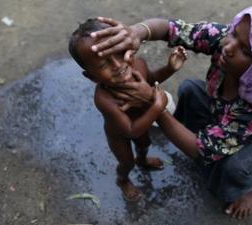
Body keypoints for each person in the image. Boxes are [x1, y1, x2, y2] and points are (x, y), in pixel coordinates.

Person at [90, 2, 252, 218]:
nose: (229, 47)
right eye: (234, 33)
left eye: (246, 50)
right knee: (190, 89)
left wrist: (153, 103)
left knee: (234, 167)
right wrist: (137, 31)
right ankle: (202, 137)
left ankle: (250, 186)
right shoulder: (225, 40)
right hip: (223, 114)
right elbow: (172, 29)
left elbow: (200, 150)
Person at [68, 18, 188, 201]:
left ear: (128, 48)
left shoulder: (138, 65)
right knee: (126, 162)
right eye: (104, 65)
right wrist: (157, 106)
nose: (118, 66)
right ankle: (122, 180)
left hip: (143, 122)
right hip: (121, 135)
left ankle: (143, 160)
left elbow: (152, 78)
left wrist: (170, 68)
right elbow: (130, 131)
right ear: (91, 77)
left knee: (144, 145)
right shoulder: (104, 99)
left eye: (120, 53)